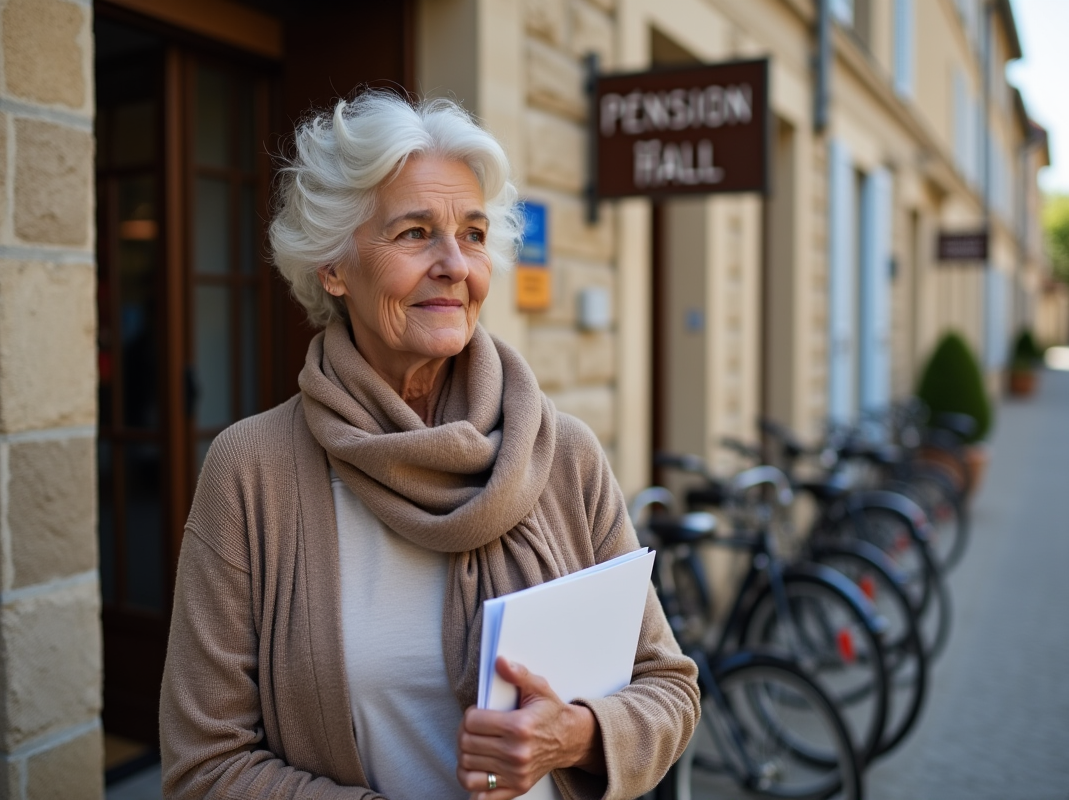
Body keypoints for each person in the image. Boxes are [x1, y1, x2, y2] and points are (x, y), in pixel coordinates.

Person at [159, 91, 699, 800]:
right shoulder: (253, 472)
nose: (454, 263)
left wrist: (575, 734)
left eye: (473, 234)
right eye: (415, 233)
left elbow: (669, 687)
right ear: (333, 267)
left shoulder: (562, 453)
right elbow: (205, 766)